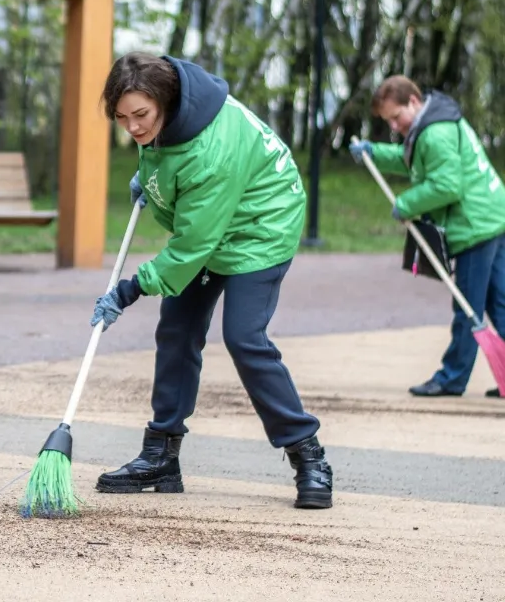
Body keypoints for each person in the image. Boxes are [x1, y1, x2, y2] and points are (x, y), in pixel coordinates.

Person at [90, 51, 332, 509]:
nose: (134, 128)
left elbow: (191, 243)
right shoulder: (166, 117)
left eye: (140, 116)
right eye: (122, 119)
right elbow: (174, 177)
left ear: (166, 100)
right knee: (178, 327)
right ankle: (161, 453)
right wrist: (151, 179)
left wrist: (129, 289)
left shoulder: (212, 149)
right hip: (212, 223)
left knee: (244, 337)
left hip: (261, 224)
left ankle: (308, 455)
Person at [349, 75, 505, 399]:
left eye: (396, 116)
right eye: (388, 120)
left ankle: (452, 377)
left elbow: (447, 186)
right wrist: (373, 152)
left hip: (474, 225)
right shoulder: (434, 123)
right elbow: (415, 164)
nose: (394, 125)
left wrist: (407, 203)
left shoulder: (434, 133)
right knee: (498, 303)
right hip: (492, 216)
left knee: (468, 307)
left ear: (414, 102)